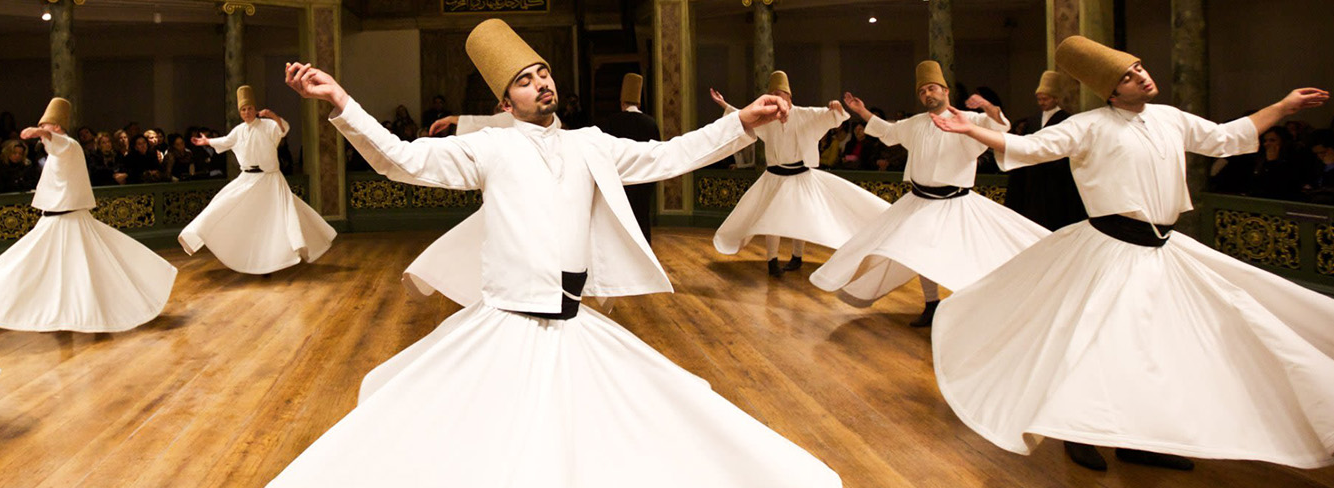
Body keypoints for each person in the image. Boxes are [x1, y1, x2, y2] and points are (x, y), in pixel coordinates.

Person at [266, 19, 840, 487]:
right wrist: (341, 102)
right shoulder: (488, 148)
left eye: (542, 72)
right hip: (505, 328)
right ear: (505, 102)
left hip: (574, 329)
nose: (540, 83)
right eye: (523, 80)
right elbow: (401, 159)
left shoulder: (590, 145)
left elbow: (670, 156)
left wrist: (740, 122)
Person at [927, 36, 1334, 473]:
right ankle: (1076, 430)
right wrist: (971, 132)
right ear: (1111, 92)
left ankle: (1141, 438)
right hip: (1110, 249)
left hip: (1162, 248)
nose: (1142, 75)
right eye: (1129, 75)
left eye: (1140, 67)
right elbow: (1028, 147)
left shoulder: (1170, 118)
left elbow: (1226, 136)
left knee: (1159, 347)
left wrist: (1282, 107)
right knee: (1098, 343)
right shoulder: (1090, 126)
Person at [808, 60, 1050, 327]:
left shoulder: (968, 119)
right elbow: (888, 131)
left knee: (965, 254)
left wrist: (987, 106)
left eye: (932, 89)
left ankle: (971, 306)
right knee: (919, 252)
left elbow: (999, 127)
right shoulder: (916, 123)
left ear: (945, 91)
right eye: (922, 91)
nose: (927, 95)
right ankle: (932, 304)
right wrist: (862, 111)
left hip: (955, 202)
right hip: (920, 201)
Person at [0, 98, 176, 332]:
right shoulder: (57, 152)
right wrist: (44, 134)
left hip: (69, 220)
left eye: (45, 128)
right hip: (55, 220)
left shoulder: (70, 146)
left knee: (81, 271)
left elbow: (60, 143)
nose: (41, 137)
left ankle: (85, 314)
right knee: (34, 267)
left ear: (55, 127)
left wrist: (42, 132)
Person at [709, 72, 891, 276]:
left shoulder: (806, 114)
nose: (778, 98)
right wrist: (724, 105)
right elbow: (742, 116)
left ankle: (797, 256)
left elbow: (833, 116)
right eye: (774, 94)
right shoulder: (766, 118)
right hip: (775, 176)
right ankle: (772, 261)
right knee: (772, 219)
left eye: (781, 94)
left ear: (789, 96)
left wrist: (836, 108)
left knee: (801, 216)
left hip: (800, 175)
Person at [182, 85, 336, 275]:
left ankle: (274, 258)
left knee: (275, 218)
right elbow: (225, 141)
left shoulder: (268, 125)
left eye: (249, 109)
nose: (246, 112)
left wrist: (272, 115)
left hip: (269, 179)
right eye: (243, 110)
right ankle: (205, 233)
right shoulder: (239, 131)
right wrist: (207, 142)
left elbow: (283, 129)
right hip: (247, 178)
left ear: (255, 110)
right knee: (223, 205)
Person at [1005, 71, 1087, 230]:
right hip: (1033, 182)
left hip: (1057, 182)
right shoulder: (1030, 121)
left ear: (1056, 98)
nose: (1042, 102)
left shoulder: (1066, 120)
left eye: (1046, 98)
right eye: (1039, 99)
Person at [594, 73, 663, 242]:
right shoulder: (650, 123)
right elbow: (657, 154)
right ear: (639, 103)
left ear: (622, 102)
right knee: (642, 220)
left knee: (621, 222)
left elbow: (604, 153)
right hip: (643, 180)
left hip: (620, 181)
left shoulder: (612, 121)